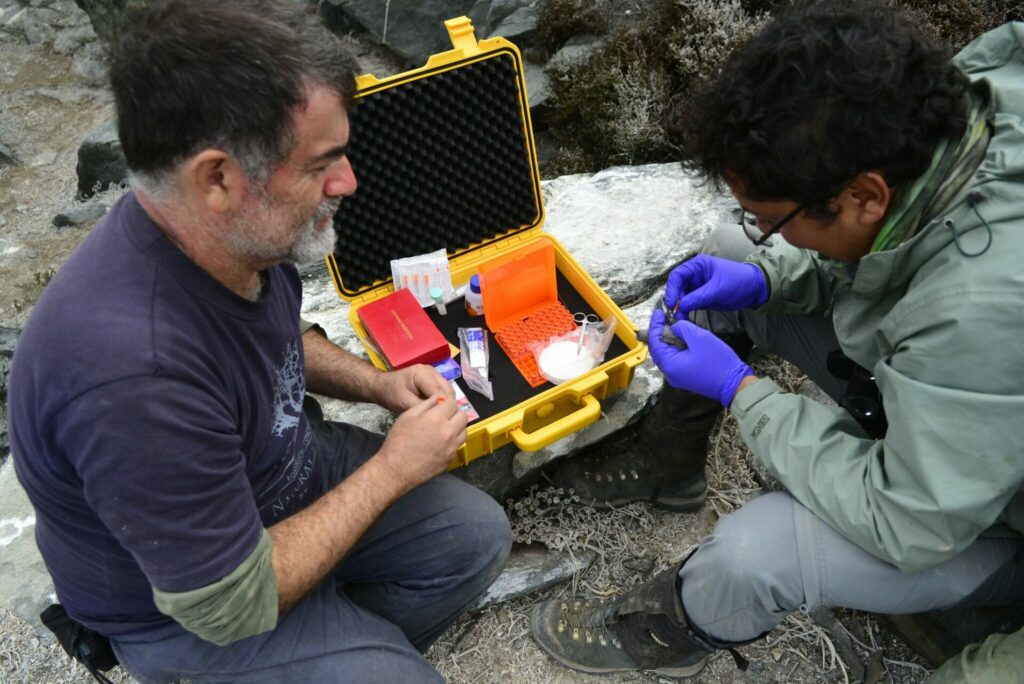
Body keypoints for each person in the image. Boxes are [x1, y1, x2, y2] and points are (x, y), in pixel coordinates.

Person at [7, 1, 511, 682]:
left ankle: (334, 635)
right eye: (320, 164)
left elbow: (274, 339)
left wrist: (377, 382)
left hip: (282, 473)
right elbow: (227, 606)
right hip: (185, 608)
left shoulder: (232, 237)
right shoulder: (131, 378)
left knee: (474, 539)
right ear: (216, 179)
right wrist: (392, 469)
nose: (348, 183)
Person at [532, 1, 1024, 678]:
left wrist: (745, 392)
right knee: (734, 253)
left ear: (865, 196)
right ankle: (669, 470)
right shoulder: (970, 104)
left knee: (756, 554)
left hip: (980, 517)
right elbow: (891, 260)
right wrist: (764, 275)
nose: (768, 231)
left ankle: (669, 636)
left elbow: (906, 519)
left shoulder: (982, 307)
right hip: (971, 431)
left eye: (773, 220)